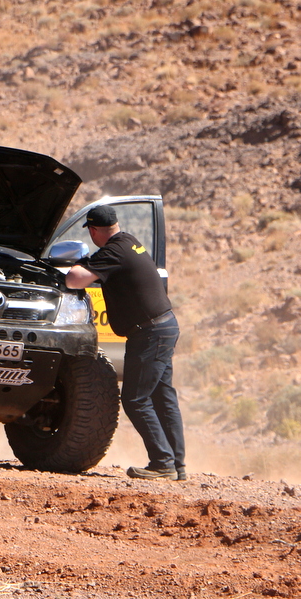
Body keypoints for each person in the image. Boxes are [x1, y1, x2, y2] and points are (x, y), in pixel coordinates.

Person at [65, 205, 186, 481]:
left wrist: (82, 263)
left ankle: (163, 462)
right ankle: (176, 465)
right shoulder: (129, 241)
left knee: (135, 399)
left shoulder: (113, 252)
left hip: (150, 333)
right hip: (163, 327)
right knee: (162, 396)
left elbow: (73, 280)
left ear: (93, 230)